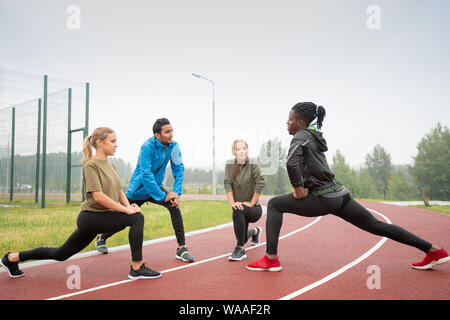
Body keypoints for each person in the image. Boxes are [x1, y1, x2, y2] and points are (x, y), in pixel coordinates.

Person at [246, 102, 449, 272]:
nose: (286, 123)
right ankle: (433, 251)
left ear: (300, 122)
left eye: (290, 119)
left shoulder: (300, 136)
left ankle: (271, 259)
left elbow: (291, 162)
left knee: (274, 204)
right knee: (377, 226)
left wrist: (298, 189)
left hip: (323, 198)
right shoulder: (313, 136)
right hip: (340, 195)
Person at [1, 127, 161, 279]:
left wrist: (129, 206)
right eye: (112, 141)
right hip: (91, 218)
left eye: (116, 141)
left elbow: (119, 191)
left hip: (101, 218)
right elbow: (98, 197)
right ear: (99, 143)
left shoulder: (111, 165)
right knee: (136, 218)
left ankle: (11, 258)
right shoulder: (91, 165)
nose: (116, 144)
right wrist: (126, 211)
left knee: (60, 254)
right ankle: (137, 267)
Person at [95, 118, 194, 262]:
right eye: (167, 132)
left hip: (156, 187)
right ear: (157, 135)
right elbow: (146, 174)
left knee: (174, 206)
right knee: (123, 220)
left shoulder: (174, 146)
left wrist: (175, 193)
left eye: (172, 131)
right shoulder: (147, 147)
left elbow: (179, 169)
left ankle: (181, 248)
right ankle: (102, 237)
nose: (171, 134)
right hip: (138, 190)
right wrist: (162, 196)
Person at [224, 140, 265, 261]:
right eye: (238, 149)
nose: (241, 151)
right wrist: (232, 203)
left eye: (244, 148)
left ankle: (240, 249)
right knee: (237, 210)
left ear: (247, 150)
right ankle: (255, 232)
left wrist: (251, 203)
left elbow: (261, 182)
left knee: (240, 238)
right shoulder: (229, 164)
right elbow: (227, 183)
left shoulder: (253, 163)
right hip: (239, 208)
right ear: (233, 152)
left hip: (254, 209)